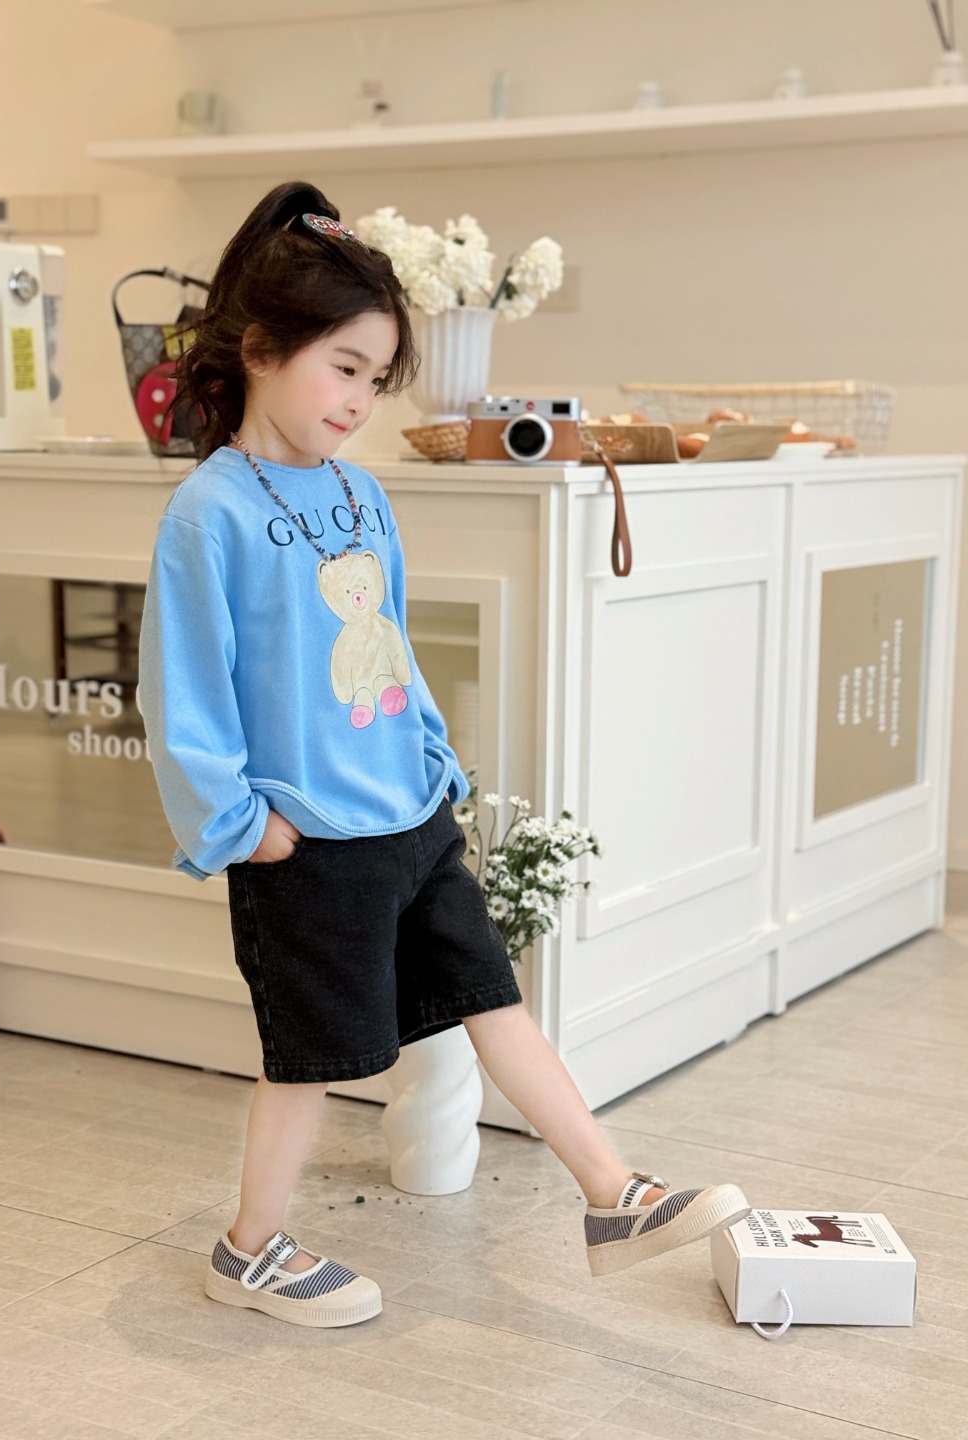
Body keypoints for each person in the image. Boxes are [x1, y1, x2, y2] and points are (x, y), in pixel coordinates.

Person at [137, 179, 750, 1330]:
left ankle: (612, 1193)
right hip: (308, 841)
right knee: (305, 1057)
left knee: (492, 998)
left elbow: (392, 644)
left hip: (411, 817)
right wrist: (240, 827)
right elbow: (184, 694)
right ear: (261, 348)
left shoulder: (364, 494)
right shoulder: (210, 513)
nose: (359, 400)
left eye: (377, 379)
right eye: (345, 368)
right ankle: (249, 1247)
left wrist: (434, 758)